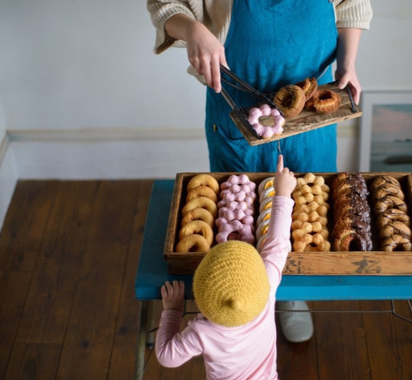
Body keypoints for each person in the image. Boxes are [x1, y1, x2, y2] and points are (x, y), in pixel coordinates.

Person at [147, 0, 373, 342]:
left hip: (313, 104)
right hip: (238, 102)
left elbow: (353, 4)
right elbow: (165, 3)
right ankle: (239, 294)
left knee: (309, 209)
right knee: (240, 213)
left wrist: (349, 63)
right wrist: (192, 29)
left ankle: (289, 294)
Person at [156, 155, 296, 380]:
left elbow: (166, 357)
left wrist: (172, 311)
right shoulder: (266, 289)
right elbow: (277, 244)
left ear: (201, 291)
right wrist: (282, 193)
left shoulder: (201, 332)